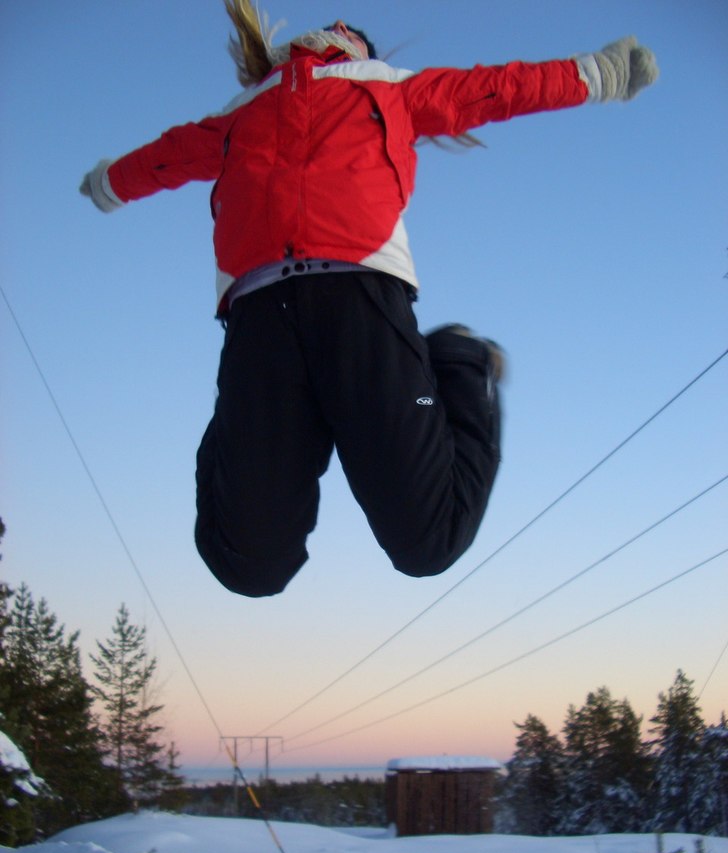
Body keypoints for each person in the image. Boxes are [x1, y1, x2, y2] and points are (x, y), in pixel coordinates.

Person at [81, 3, 658, 598]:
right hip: (259, 321)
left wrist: (599, 72)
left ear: (356, 48)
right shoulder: (241, 113)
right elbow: (168, 157)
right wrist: (111, 182)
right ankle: (235, 430)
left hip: (358, 296)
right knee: (247, 565)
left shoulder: (390, 90)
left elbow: (497, 89)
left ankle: (461, 361)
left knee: (427, 542)